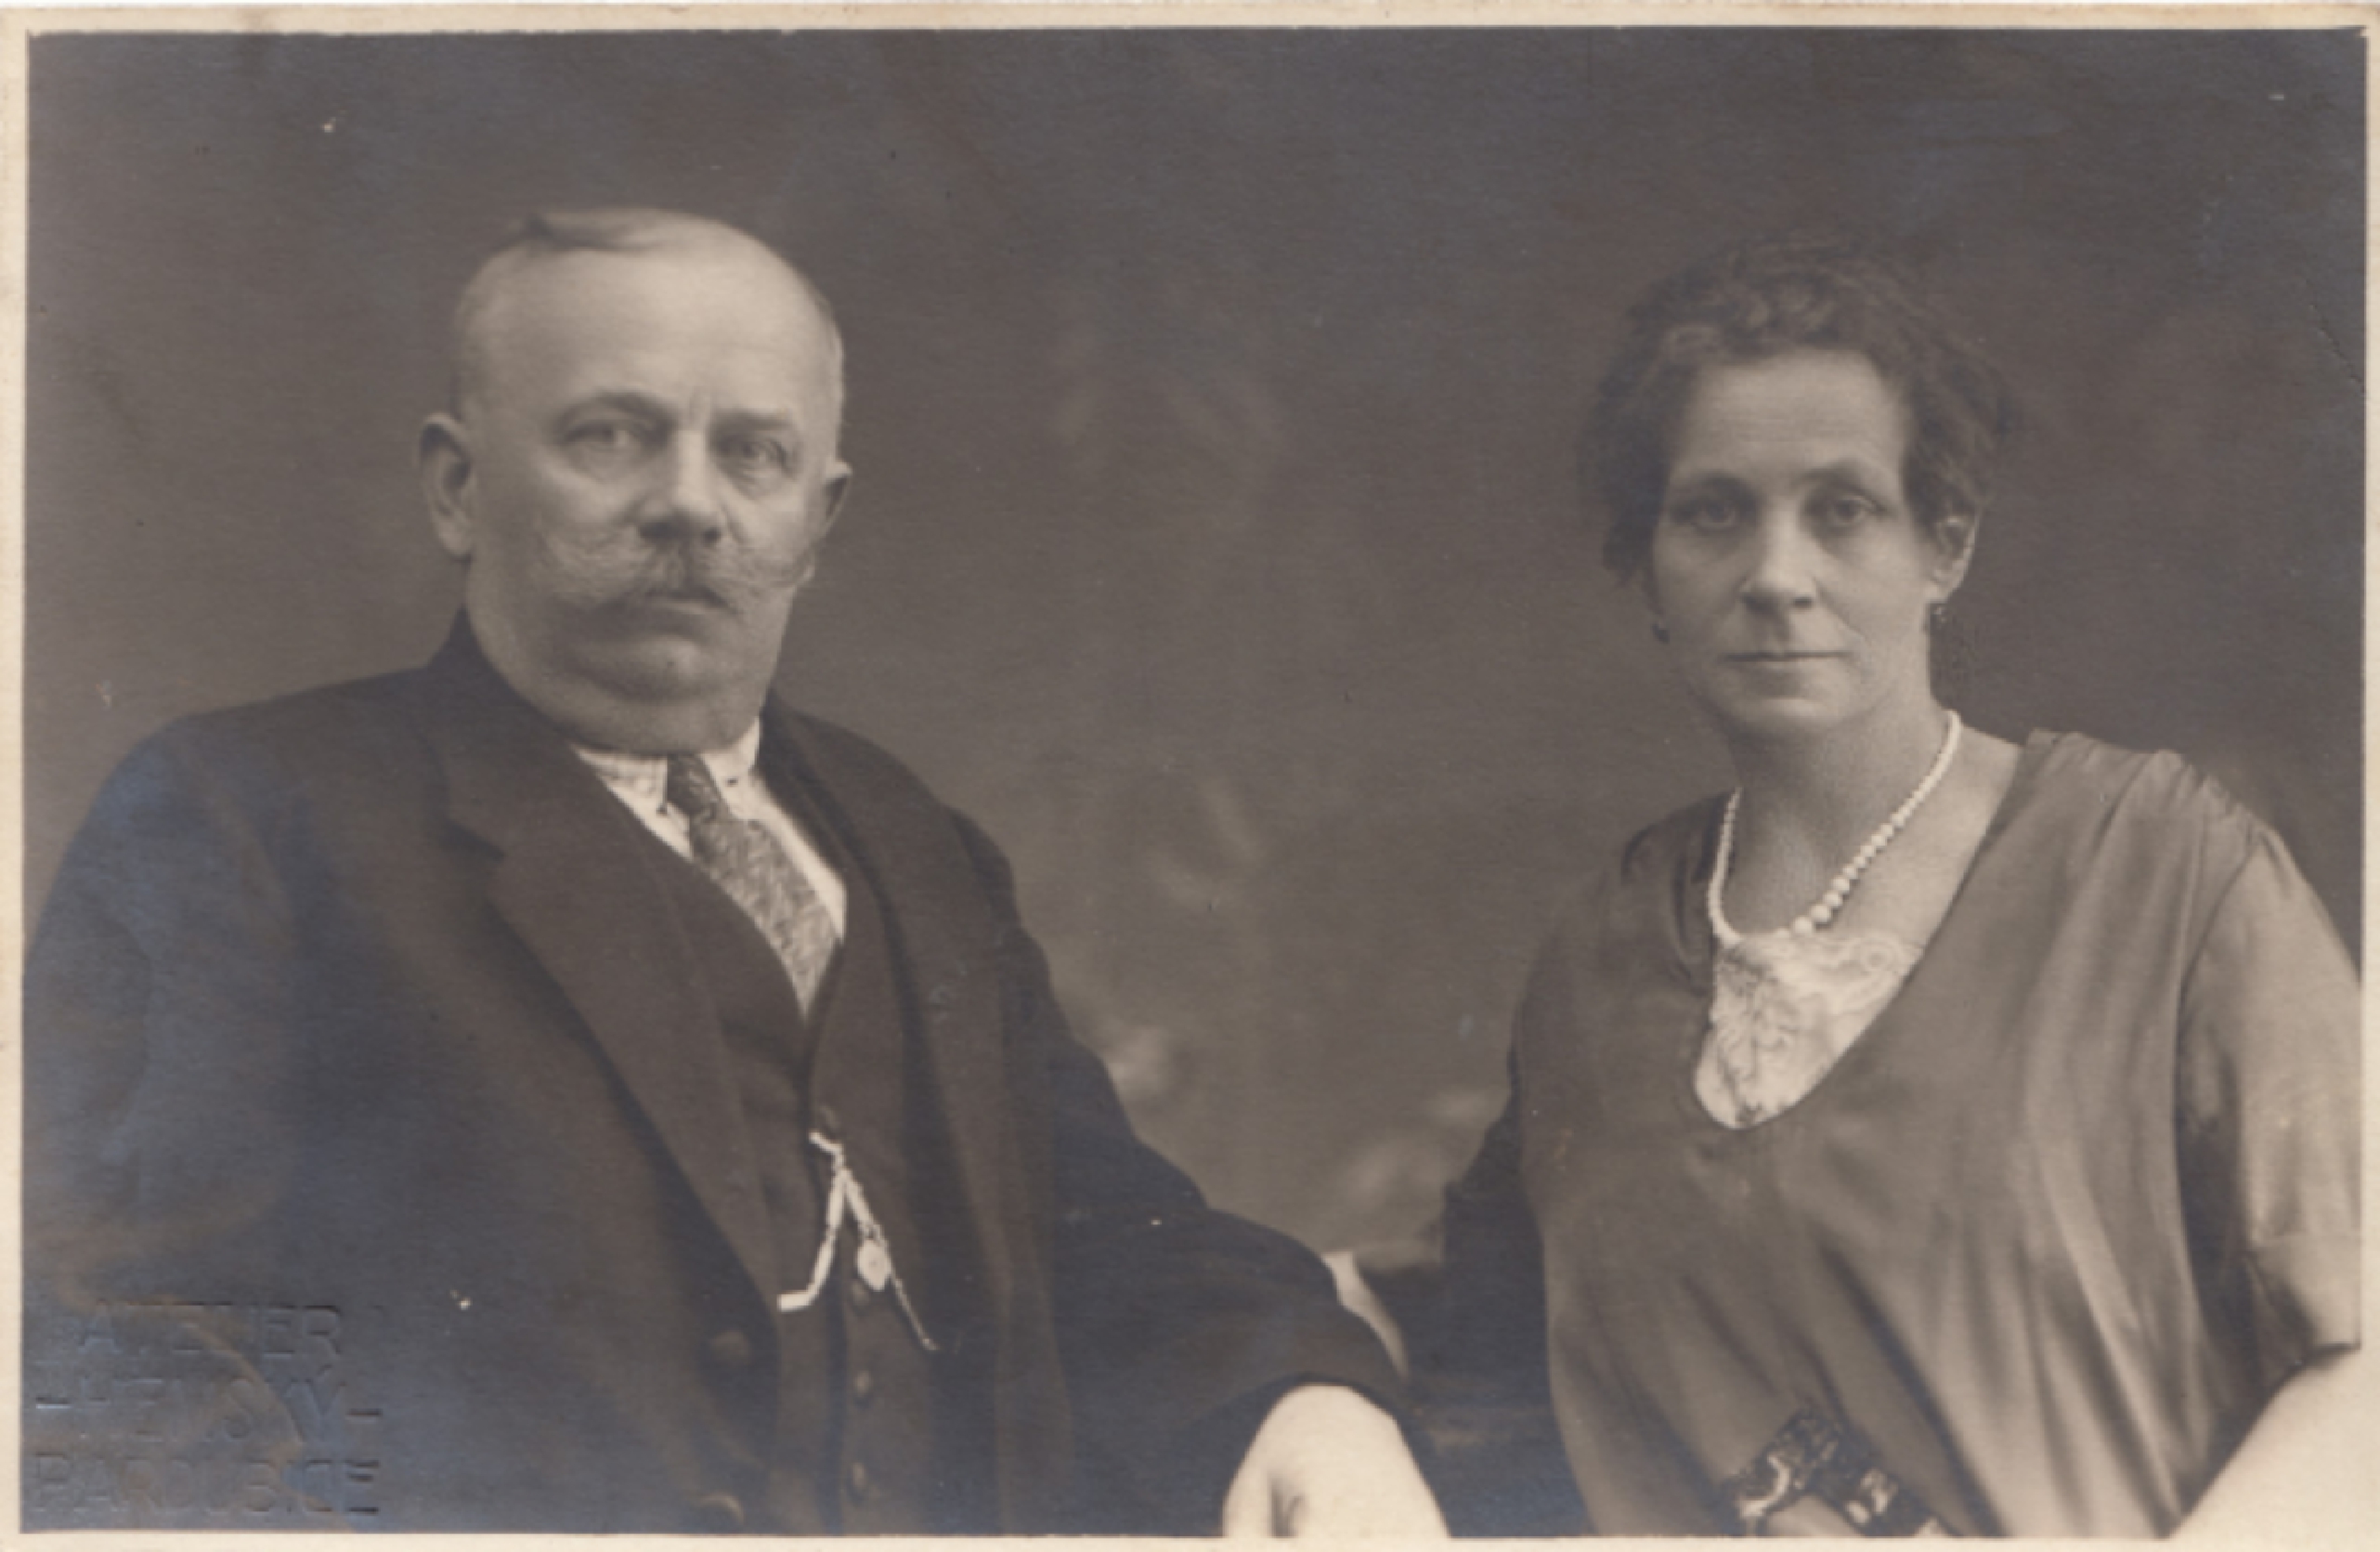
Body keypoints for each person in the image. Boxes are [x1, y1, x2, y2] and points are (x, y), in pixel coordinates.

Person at [22, 207, 1447, 1537]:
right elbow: (133, 1367)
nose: (690, 505)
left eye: (753, 454)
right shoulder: (241, 821)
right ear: (458, 486)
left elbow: (1103, 1228)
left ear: (818, 521)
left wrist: (1307, 1395)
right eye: (611, 435)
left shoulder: (909, 842)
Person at [1403, 234, 2360, 1536]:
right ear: (1647, 566)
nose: (1775, 577)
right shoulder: (1601, 959)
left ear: (1943, 546)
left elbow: (2359, 1365)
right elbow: (1475, 1358)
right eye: (1713, 512)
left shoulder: (2165, 875)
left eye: (1842, 510)